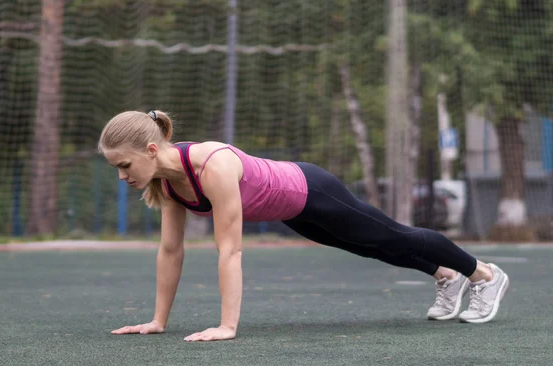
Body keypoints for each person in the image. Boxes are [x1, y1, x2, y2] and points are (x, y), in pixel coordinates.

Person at [98, 109, 510, 342]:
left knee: (392, 236)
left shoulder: (210, 164)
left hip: (312, 189)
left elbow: (230, 249)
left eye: (124, 165)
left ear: (151, 149)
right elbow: (171, 251)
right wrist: (158, 321)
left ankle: (485, 275)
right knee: (369, 247)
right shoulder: (167, 184)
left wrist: (227, 326)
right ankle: (445, 274)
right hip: (293, 211)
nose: (122, 176)